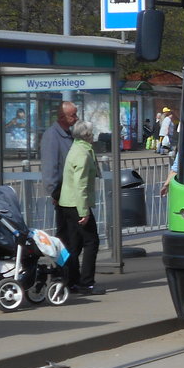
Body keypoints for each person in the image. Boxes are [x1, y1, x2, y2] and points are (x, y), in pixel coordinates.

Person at [58, 119, 103, 295]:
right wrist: (84, 212)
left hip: (67, 202)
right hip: (77, 204)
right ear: (87, 135)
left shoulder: (76, 148)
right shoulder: (83, 155)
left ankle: (70, 280)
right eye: (92, 133)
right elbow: (81, 185)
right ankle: (87, 283)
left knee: (74, 244)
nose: (94, 136)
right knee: (92, 241)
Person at [40, 100, 79, 278]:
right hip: (62, 194)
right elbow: (50, 167)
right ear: (62, 117)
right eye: (73, 115)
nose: (76, 118)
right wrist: (54, 192)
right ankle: (63, 274)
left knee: (72, 238)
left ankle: (68, 273)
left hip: (71, 193)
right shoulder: (52, 136)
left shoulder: (68, 134)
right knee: (67, 238)